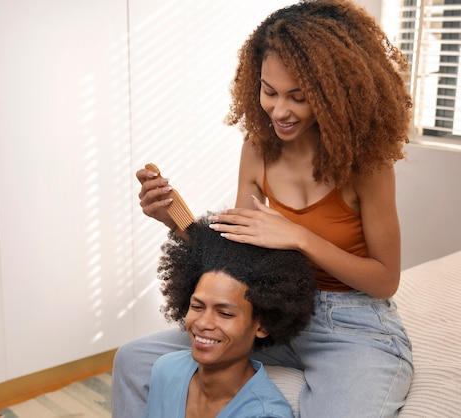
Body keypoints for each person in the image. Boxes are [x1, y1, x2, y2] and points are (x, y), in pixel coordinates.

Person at [114, 1, 414, 417]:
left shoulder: (368, 167)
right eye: (269, 92)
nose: (279, 110)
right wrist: (172, 219)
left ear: (335, 96)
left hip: (351, 327)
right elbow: (238, 259)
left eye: (298, 97)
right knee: (133, 361)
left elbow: (385, 280)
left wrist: (298, 237)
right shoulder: (259, 148)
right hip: (271, 314)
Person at [145, 216, 315, 418]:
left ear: (262, 326)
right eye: (197, 306)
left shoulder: (265, 415)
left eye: (225, 313)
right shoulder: (166, 370)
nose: (203, 323)